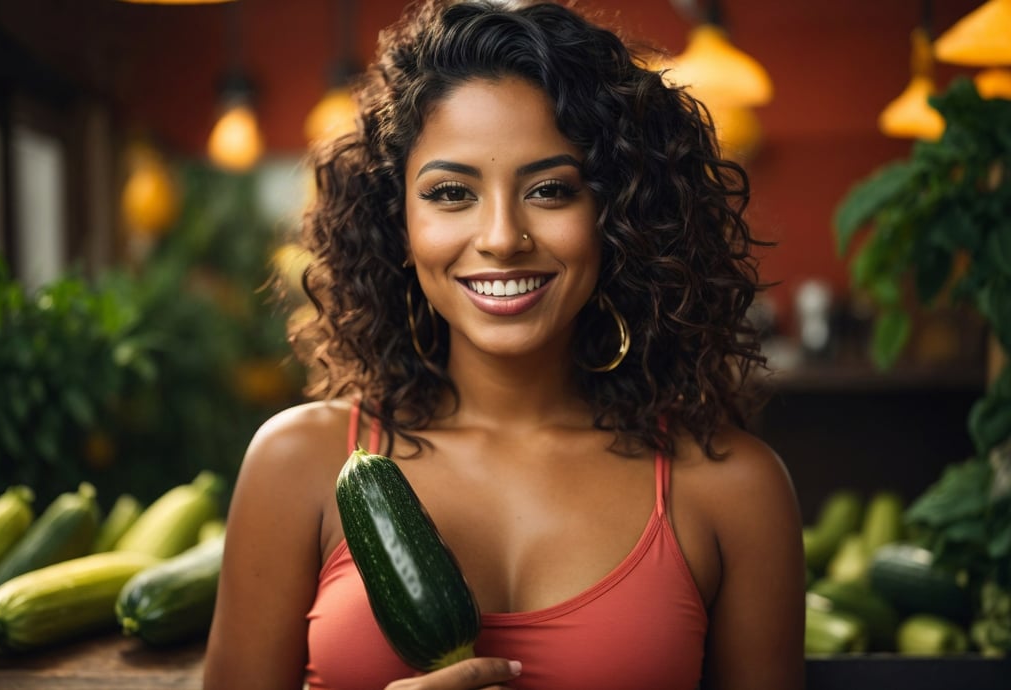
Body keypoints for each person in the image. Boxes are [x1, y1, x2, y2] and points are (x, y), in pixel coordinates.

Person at [203, 1, 806, 688]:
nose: (500, 237)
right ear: (396, 220)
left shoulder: (733, 491)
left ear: (620, 216)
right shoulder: (297, 466)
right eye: (451, 193)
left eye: (550, 190)